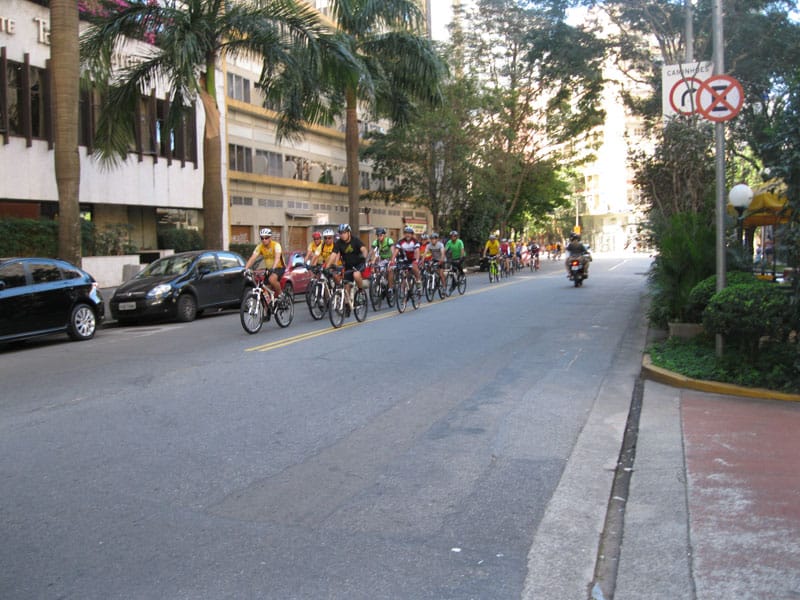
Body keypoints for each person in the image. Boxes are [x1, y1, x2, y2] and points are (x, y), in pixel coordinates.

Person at [324, 223, 369, 307]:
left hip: (359, 264)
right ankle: (347, 304)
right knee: (346, 284)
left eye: (344, 232)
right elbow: (333, 255)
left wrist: (364, 256)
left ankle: (360, 292)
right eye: (341, 233)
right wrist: (327, 267)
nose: (342, 235)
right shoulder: (338, 243)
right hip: (348, 266)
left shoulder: (355, 240)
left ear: (349, 233)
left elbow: (364, 249)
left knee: (356, 275)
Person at [244, 227, 285, 298]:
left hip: (279, 267)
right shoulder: (260, 247)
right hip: (269, 269)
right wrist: (245, 269)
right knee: (265, 290)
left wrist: (273, 268)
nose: (264, 240)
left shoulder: (276, 245)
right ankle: (269, 304)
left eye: (266, 238)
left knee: (272, 279)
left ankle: (281, 294)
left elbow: (277, 258)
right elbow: (252, 258)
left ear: (270, 238)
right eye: (262, 238)